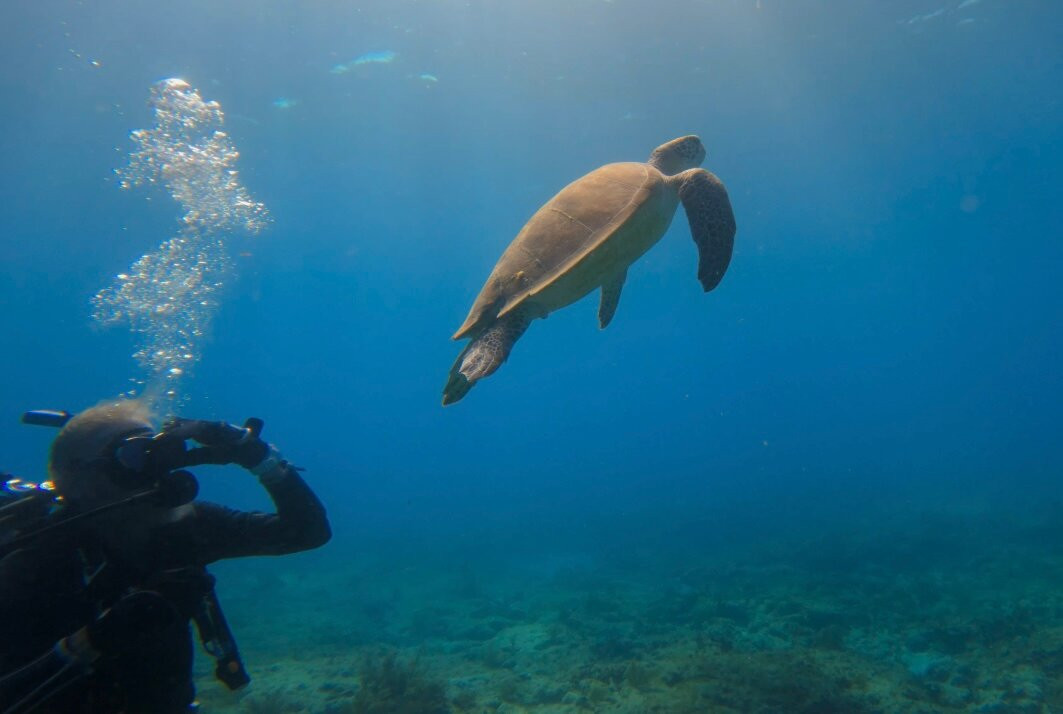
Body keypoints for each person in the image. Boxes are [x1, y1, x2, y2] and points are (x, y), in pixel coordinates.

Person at [0, 400, 331, 713]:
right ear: (76, 480)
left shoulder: (188, 529)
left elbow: (307, 532)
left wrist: (256, 455)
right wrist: (92, 641)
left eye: (160, 451)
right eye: (133, 457)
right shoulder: (36, 561)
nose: (156, 471)